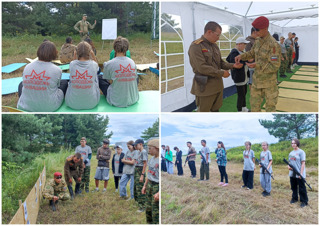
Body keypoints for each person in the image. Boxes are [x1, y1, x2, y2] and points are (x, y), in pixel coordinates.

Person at [188, 21, 242, 112]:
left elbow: (220, 63)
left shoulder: (214, 46)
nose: (218, 38)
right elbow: (201, 67)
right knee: (203, 112)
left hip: (217, 85)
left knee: (216, 110)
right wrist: (221, 73)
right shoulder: (196, 46)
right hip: (205, 87)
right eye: (217, 35)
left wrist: (233, 65)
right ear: (209, 32)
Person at [235, 16, 281, 112]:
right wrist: (242, 56)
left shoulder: (273, 45)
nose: (255, 32)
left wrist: (257, 65)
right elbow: (252, 53)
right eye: (254, 29)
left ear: (265, 28)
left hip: (269, 84)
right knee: (254, 109)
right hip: (257, 82)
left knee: (270, 109)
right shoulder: (258, 40)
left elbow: (274, 66)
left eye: (257, 30)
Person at [17, 41, 68, 112]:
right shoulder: (57, 70)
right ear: (54, 53)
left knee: (21, 84)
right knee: (64, 83)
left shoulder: (27, 67)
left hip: (25, 106)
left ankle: (27, 101)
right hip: (50, 107)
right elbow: (57, 86)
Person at [99, 36, 139, 107]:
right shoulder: (132, 62)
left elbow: (110, 81)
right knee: (136, 77)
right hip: (133, 99)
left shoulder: (109, 64)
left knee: (100, 78)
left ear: (114, 48)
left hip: (116, 101)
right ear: (127, 49)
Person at [65, 41, 100, 110]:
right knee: (96, 78)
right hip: (92, 103)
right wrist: (93, 55)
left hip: (72, 103)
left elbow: (73, 62)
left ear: (76, 52)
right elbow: (98, 68)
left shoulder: (72, 64)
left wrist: (75, 55)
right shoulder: (93, 65)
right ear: (90, 52)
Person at [226, 37, 250, 112]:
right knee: (241, 94)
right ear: (239, 44)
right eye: (244, 44)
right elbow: (236, 63)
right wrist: (246, 61)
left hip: (244, 76)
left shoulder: (241, 52)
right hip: (239, 77)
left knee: (244, 92)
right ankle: (239, 110)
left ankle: (244, 107)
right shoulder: (234, 52)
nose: (245, 46)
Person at [142, 139, 159, 224]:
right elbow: (149, 174)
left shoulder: (160, 160)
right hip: (149, 185)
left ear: (156, 148)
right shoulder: (151, 159)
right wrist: (145, 185)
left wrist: (159, 193)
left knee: (155, 211)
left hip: (157, 186)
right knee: (148, 209)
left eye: (150, 148)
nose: (149, 151)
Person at [288, 138, 308, 207]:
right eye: (292, 143)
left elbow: (303, 163)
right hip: (292, 173)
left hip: (299, 173)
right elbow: (289, 162)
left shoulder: (301, 152)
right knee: (293, 187)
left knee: (302, 188)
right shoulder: (291, 153)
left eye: (294, 143)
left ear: (297, 144)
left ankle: (304, 201)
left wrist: (301, 174)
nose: (293, 144)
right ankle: (294, 198)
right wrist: (288, 166)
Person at [134, 139, 148, 212]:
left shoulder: (143, 152)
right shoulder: (138, 152)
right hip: (136, 170)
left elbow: (145, 163)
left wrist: (142, 175)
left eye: (136, 145)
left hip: (140, 171)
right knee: (136, 188)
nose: (135, 147)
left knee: (140, 189)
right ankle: (139, 203)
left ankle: (142, 206)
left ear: (141, 144)